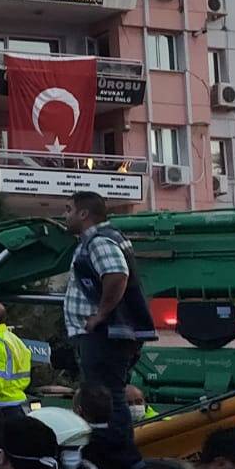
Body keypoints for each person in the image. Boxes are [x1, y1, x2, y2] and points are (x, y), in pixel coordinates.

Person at [63, 191, 156, 448]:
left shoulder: (99, 241)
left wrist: (101, 315)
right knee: (106, 395)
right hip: (109, 334)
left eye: (68, 209)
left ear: (84, 214)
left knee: (106, 397)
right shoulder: (99, 239)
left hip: (105, 334)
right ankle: (115, 452)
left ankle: (114, 454)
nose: (65, 215)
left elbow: (116, 274)